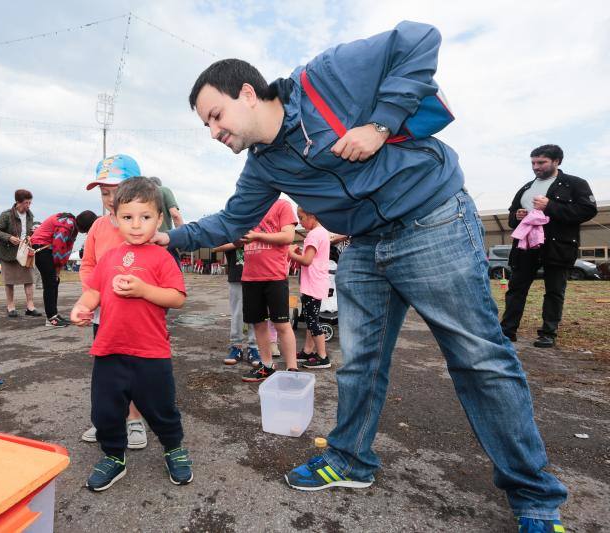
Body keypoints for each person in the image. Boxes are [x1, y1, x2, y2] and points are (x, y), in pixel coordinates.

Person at [154, 21, 567, 530]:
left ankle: (535, 498)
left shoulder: (324, 79)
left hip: (431, 219)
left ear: (246, 92)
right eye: (206, 127)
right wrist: (165, 239)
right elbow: (230, 222)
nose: (216, 132)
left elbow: (418, 38)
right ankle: (349, 460)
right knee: (359, 363)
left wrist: (379, 124)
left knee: (479, 359)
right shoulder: (263, 167)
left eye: (216, 115)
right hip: (364, 246)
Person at [70, 176, 193, 492]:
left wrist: (144, 289)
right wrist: (82, 308)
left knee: (161, 408)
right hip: (110, 349)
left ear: (159, 219)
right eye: (127, 217)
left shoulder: (162, 257)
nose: (136, 225)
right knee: (105, 409)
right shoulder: (109, 257)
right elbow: (93, 292)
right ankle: (113, 455)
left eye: (145, 217)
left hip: (151, 352)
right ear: (114, 218)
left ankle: (173, 448)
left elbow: (177, 297)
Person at [79, 154, 150, 449]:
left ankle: (134, 420)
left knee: (132, 369)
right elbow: (88, 264)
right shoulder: (97, 227)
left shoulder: (141, 227)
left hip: (136, 313)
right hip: (103, 312)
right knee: (105, 368)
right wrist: (90, 298)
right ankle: (107, 419)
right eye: (104, 192)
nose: (109, 199)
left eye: (115, 191)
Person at [501, 145, 597, 348]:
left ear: (557, 161)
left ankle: (548, 334)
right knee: (516, 288)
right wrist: (516, 216)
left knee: (554, 290)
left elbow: (588, 210)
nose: (536, 167)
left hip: (557, 246)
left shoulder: (575, 184)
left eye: (541, 162)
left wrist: (550, 207)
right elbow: (511, 216)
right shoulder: (526, 188)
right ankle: (507, 331)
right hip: (525, 246)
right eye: (533, 163)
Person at [238, 198, 298, 382]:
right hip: (250, 277)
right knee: (258, 323)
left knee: (281, 324)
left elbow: (288, 236)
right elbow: (236, 238)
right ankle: (267, 366)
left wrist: (257, 236)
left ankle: (292, 369)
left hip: (275, 276)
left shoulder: (282, 205)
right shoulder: (247, 207)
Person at [30, 210, 96, 327]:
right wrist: (58, 267)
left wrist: (58, 269)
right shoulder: (67, 225)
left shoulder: (72, 224)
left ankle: (54, 314)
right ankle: (51, 318)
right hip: (42, 249)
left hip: (47, 249)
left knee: (54, 281)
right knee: (50, 283)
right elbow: (59, 248)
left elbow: (66, 248)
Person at [288, 207, 331, 369]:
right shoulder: (322, 232)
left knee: (312, 322)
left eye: (302, 217)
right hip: (317, 282)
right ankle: (308, 350)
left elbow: (306, 261)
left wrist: (290, 253)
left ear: (312, 215)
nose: (300, 222)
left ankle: (323, 356)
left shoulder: (313, 234)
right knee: (310, 318)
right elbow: (311, 257)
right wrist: (299, 252)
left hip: (312, 283)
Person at [0, 189, 42, 318]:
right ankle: (10, 307)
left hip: (26, 252)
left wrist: (31, 236)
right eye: (26, 203)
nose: (28, 206)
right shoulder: (6, 215)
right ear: (18, 202)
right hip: (9, 253)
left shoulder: (30, 215)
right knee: (9, 281)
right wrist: (9, 237)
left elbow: (30, 231)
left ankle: (30, 307)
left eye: (30, 203)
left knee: (29, 280)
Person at [212, 242, 260, 366]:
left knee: (256, 313)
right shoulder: (232, 227)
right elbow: (214, 247)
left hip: (258, 276)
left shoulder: (260, 226)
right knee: (237, 313)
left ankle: (254, 348)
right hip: (237, 276)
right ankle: (236, 346)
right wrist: (237, 242)